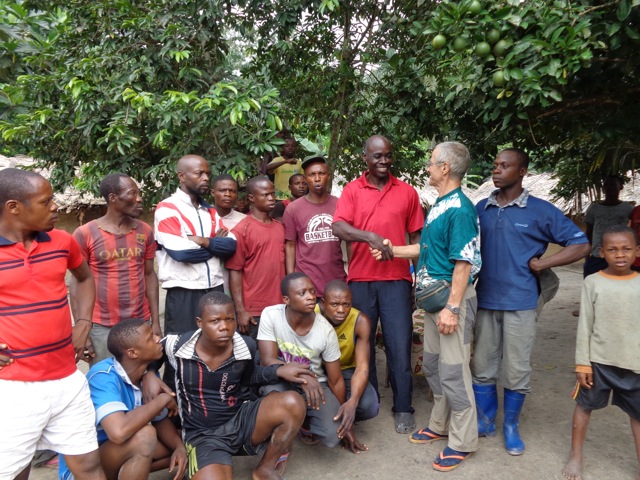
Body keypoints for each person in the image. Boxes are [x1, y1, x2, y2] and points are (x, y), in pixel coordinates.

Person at [471, 148, 590, 455]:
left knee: (517, 369)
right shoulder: (481, 208)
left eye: (504, 166)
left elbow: (580, 244)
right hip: (485, 301)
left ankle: (511, 427)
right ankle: (485, 421)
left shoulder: (540, 210)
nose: (496, 170)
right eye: (495, 165)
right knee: (482, 366)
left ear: (522, 171)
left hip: (522, 302)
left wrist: (543, 264)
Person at [372, 141, 481, 471]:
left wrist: (453, 308)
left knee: (454, 372)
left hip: (450, 303)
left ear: (445, 168)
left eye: (432, 162)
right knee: (433, 366)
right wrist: (393, 250)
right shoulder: (439, 205)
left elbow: (463, 262)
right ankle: (439, 425)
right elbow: (428, 251)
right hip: (436, 303)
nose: (428, 167)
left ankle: (462, 441)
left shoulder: (461, 209)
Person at [0, 168, 105, 480]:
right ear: (14, 207)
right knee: (13, 471)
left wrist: (84, 322)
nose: (56, 207)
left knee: (88, 467)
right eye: (46, 202)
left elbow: (84, 278)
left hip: (67, 380)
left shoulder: (62, 241)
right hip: (13, 385)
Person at [332, 135, 424, 434]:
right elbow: (338, 227)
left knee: (399, 345)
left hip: (397, 281)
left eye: (387, 155)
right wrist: (368, 236)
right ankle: (368, 403)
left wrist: (417, 281)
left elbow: (416, 240)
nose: (383, 161)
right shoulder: (352, 190)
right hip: (360, 281)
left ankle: (403, 407)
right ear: (365, 158)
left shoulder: (407, 192)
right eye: (377, 156)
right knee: (364, 346)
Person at [164, 291, 308, 479]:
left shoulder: (245, 345)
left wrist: (278, 371)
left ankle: (265, 468)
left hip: (240, 419)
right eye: (215, 321)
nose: (224, 327)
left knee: (293, 402)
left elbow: (248, 377)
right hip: (203, 435)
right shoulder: (177, 346)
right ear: (200, 322)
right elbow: (146, 355)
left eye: (230, 319)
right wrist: (150, 374)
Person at [58, 319, 187, 480]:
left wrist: (179, 447)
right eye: (150, 337)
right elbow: (118, 432)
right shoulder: (103, 376)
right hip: (83, 469)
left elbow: (159, 419)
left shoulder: (146, 375)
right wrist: (162, 400)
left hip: (114, 452)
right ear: (133, 353)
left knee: (188, 443)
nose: (157, 338)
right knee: (145, 436)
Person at [561, 225, 640, 480]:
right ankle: (576, 455)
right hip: (598, 364)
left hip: (634, 364)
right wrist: (583, 363)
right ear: (601, 252)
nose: (620, 255)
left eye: (627, 249)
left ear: (637, 251)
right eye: (613, 250)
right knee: (584, 407)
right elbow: (585, 325)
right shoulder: (592, 282)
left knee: (638, 415)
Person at [258, 273, 366, 452]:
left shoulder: (326, 330)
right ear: (287, 299)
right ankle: (282, 428)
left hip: (317, 383)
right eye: (302, 293)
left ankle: (304, 422)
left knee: (333, 436)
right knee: (271, 392)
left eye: (312, 291)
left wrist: (346, 423)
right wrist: (303, 377)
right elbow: (267, 360)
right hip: (282, 377)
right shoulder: (271, 315)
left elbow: (336, 380)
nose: (310, 297)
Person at [71, 173, 159, 364]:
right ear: (112, 198)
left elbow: (150, 275)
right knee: (105, 381)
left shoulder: (145, 231)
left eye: (139, 193)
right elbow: (77, 283)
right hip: (101, 326)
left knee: (143, 381)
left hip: (139, 323)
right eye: (132, 193)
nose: (139, 198)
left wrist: (156, 323)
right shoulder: (85, 234)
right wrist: (82, 329)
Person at [226, 176, 285, 339]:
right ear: (252, 198)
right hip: (255, 311)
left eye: (273, 194)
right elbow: (235, 271)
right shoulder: (242, 230)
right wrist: (240, 310)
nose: (271, 198)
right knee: (255, 359)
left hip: (281, 307)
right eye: (265, 195)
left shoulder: (280, 227)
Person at [317, 280, 379, 427]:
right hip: (317, 371)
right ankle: (313, 423)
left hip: (345, 369)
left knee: (369, 406)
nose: (341, 310)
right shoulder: (311, 315)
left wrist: (353, 402)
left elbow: (362, 368)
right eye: (334, 304)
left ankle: (344, 418)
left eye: (346, 304)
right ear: (323, 303)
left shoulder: (360, 321)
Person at [283, 155, 346, 298]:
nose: (317, 178)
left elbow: (349, 240)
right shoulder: (293, 209)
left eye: (321, 174)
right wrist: (291, 280)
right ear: (305, 179)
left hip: (336, 281)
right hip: (306, 285)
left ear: (328, 176)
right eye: (312, 175)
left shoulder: (340, 204)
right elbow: (290, 245)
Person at [582, 175, 632, 277]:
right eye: (606, 185)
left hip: (619, 257)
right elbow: (588, 234)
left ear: (621, 187)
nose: (609, 187)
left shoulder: (628, 209)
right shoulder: (594, 208)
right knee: (593, 287)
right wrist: (587, 257)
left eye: (613, 185)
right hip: (597, 256)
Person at [210, 174, 246, 293]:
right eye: (222, 190)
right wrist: (215, 243)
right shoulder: (201, 217)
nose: (227, 194)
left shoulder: (245, 221)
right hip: (209, 282)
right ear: (212, 192)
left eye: (232, 191)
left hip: (239, 282)